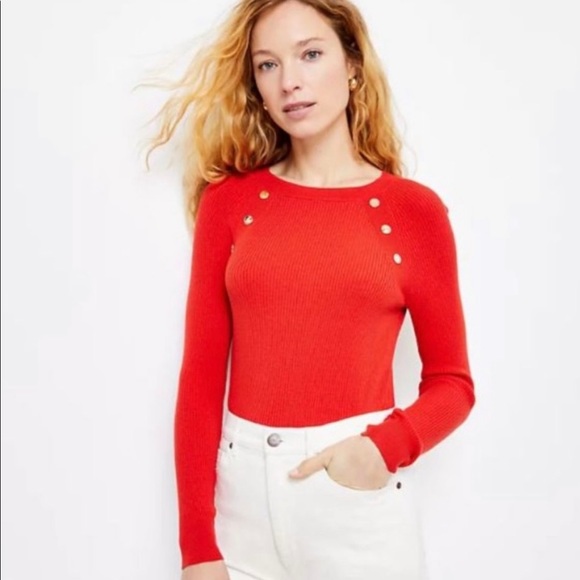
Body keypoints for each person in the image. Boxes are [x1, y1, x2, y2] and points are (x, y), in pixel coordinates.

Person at [144, 0, 476, 578]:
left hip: (356, 511)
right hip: (242, 510)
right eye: (267, 65)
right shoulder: (231, 204)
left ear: (352, 65)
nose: (289, 82)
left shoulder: (412, 213)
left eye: (311, 54)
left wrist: (380, 449)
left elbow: (453, 383)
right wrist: (197, 548)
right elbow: (201, 380)